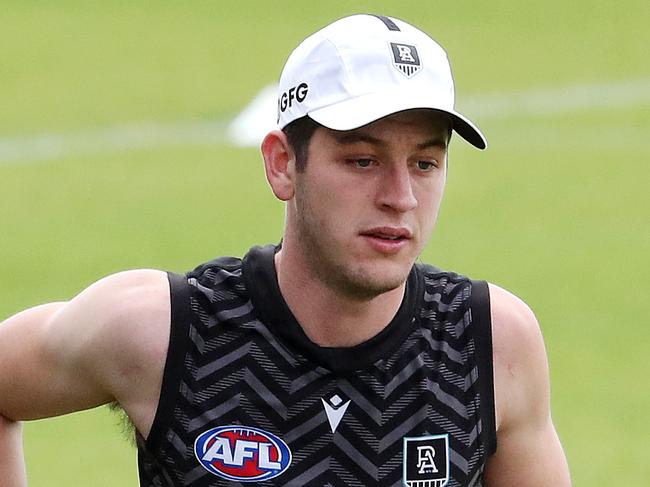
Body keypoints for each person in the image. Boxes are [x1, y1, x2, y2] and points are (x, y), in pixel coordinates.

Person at [0, 14, 570, 487]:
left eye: (425, 163)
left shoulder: (492, 342)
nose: (400, 198)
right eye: (362, 161)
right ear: (282, 163)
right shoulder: (162, 330)